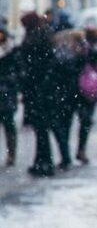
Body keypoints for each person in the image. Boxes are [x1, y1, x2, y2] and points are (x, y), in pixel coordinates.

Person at [20, 12, 57, 176]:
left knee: (41, 128)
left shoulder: (37, 36)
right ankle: (41, 161)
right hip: (40, 88)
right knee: (40, 129)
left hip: (40, 89)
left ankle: (45, 162)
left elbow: (36, 61)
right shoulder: (42, 33)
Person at [51, 30, 87, 170]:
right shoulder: (79, 53)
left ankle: (66, 155)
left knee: (63, 124)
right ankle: (72, 153)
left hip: (66, 94)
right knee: (70, 123)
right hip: (76, 93)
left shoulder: (60, 54)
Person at [75, 42, 97, 164]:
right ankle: (80, 150)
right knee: (85, 122)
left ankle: (80, 150)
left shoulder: (86, 51)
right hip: (85, 96)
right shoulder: (86, 52)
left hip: (85, 96)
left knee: (85, 122)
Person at [0, 26, 19, 166]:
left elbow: (17, 70)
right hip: (6, 90)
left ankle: (11, 153)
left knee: (9, 124)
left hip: (7, 93)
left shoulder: (11, 50)